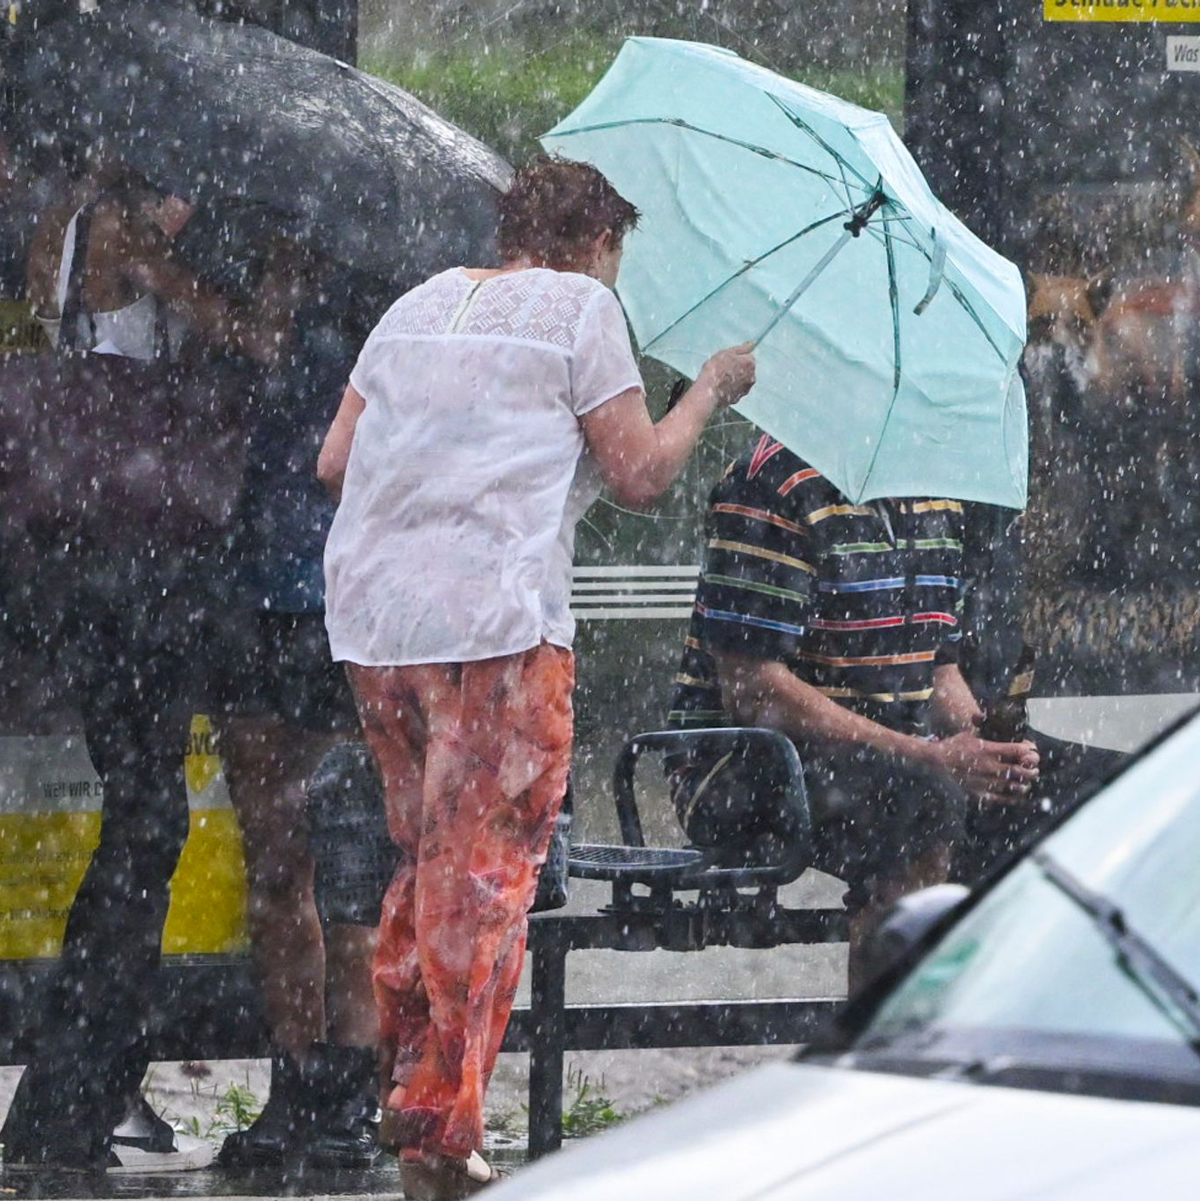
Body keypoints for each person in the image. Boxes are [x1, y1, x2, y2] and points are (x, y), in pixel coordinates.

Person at [317, 156, 756, 1198]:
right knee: (491, 877)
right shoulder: (579, 310)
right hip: (497, 632)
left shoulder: (417, 304)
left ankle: (412, 1082)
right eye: (617, 256)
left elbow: (338, 460)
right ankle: (445, 1126)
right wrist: (708, 390)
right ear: (597, 243)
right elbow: (645, 473)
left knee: (425, 859)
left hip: (379, 626)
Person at [0, 149, 275, 1172]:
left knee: (138, 808)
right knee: (148, 815)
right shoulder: (125, 236)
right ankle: (81, 1080)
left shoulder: (66, 224)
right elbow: (253, 337)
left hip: (74, 558)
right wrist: (190, 269)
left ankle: (81, 1078)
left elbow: (49, 323)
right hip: (138, 565)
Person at [665, 434, 1040, 988]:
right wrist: (932, 758)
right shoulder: (771, 482)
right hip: (739, 762)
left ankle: (982, 1020)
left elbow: (937, 667)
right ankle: (883, 1041)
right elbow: (754, 690)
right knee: (922, 800)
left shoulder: (937, 495)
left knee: (1062, 793)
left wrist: (983, 743)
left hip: (884, 756)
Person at [201, 234, 382, 1169]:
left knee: (347, 857)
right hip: (249, 591)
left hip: (337, 598)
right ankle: (295, 1074)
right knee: (274, 855)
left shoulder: (386, 297)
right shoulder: (231, 263)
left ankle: (352, 1083)